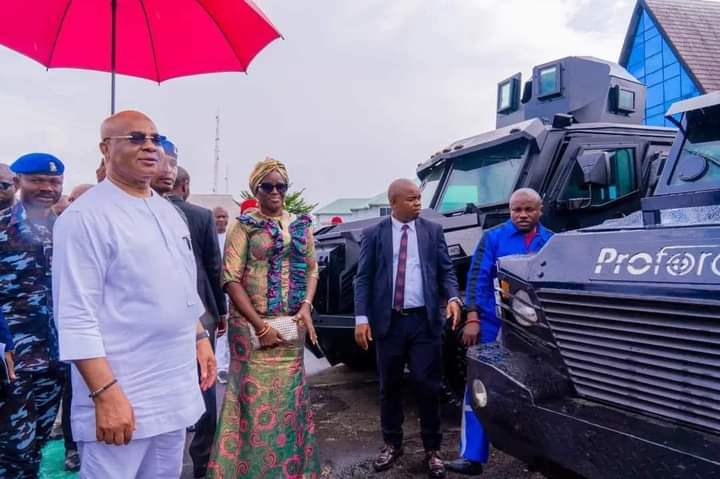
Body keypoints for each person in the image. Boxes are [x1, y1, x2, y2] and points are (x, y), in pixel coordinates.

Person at [53, 110, 215, 479]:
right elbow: (76, 315)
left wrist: (200, 336)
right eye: (136, 138)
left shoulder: (167, 213)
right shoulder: (85, 218)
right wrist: (105, 394)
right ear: (105, 148)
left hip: (172, 388)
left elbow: (181, 288)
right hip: (123, 389)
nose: (149, 147)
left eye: (155, 139)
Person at [207, 158, 321, 478]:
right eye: (267, 186)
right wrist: (260, 325)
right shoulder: (243, 226)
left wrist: (305, 306)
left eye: (280, 186)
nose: (275, 192)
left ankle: (290, 471)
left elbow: (312, 269)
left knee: (289, 403)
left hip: (290, 325)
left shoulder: (301, 224)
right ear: (256, 188)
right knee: (254, 406)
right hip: (251, 329)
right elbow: (230, 278)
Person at [354, 178, 462, 478]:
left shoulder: (432, 231)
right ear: (394, 203)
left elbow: (445, 269)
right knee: (389, 386)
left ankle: (433, 449)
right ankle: (392, 443)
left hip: (424, 322)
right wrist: (361, 319)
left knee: (428, 386)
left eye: (419, 198)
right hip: (388, 323)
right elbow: (363, 278)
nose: (418, 203)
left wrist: (452, 297)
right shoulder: (374, 234)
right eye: (412, 199)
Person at [444, 188, 553, 475]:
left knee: (540, 388)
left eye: (529, 209)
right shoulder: (493, 237)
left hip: (539, 330)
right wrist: (472, 318)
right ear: (510, 210)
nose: (523, 215)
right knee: (478, 385)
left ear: (540, 211)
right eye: (517, 209)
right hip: (495, 324)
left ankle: (538, 454)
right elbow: (477, 278)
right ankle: (472, 456)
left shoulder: (553, 241)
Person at [0, 152, 65, 478]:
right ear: (17, 183)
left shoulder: (69, 230)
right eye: (37, 180)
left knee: (38, 441)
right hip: (13, 359)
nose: (47, 187)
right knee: (12, 448)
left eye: (53, 181)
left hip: (56, 359)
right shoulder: (1, 229)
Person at [165, 161, 227, 478]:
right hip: (202, 312)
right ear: (186, 186)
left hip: (162, 314)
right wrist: (222, 312)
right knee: (205, 382)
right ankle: (202, 459)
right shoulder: (201, 216)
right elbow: (214, 268)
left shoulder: (149, 211)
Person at [55, 183, 93, 472]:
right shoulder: (55, 227)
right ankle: (71, 446)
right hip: (39, 332)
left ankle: (75, 446)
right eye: (72, 198)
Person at [212, 206, 231, 384]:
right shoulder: (208, 237)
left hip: (233, 290)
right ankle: (221, 367)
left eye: (224, 216)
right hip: (215, 291)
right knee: (221, 330)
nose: (220, 220)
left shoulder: (232, 238)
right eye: (217, 216)